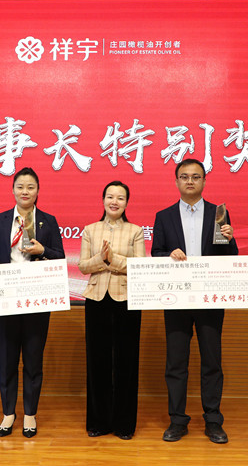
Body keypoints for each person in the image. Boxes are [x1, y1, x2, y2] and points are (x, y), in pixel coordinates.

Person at [151, 158, 238, 444]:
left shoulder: (218, 213)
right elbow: (156, 253)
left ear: (204, 181)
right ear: (176, 181)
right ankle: (177, 420)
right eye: (184, 176)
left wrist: (230, 239)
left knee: (212, 361)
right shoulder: (164, 216)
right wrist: (168, 255)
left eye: (196, 177)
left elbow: (229, 257)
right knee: (176, 363)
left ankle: (213, 420)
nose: (190, 181)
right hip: (176, 297)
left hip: (209, 297)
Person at [0, 167, 65, 438]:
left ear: (38, 191)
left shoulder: (48, 221)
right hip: (5, 299)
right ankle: (8, 413)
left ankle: (30, 413)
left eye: (30, 187)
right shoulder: (1, 220)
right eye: (20, 187)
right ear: (13, 190)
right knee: (7, 360)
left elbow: (60, 257)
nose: (25, 191)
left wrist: (43, 250)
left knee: (33, 360)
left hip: (36, 300)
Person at [78, 181, 146, 440]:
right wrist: (101, 260)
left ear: (127, 203)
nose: (114, 201)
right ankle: (99, 421)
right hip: (97, 299)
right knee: (98, 361)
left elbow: (140, 265)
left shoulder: (135, 231)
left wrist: (112, 260)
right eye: (110, 196)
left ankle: (124, 424)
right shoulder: (90, 230)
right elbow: (83, 266)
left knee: (126, 362)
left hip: (127, 299)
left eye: (120, 197)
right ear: (103, 200)